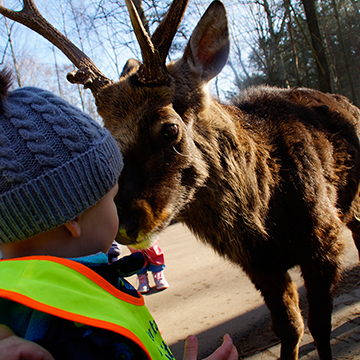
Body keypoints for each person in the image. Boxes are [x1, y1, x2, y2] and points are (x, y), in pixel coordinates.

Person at [0, 69, 238, 360]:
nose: (121, 212)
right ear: (71, 220)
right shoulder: (74, 331)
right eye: (113, 198)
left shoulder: (23, 309)